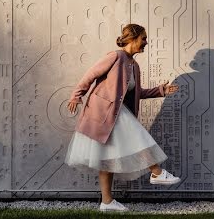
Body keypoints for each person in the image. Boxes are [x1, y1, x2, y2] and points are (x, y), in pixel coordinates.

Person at [65, 23, 181, 212]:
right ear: (133, 38)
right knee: (138, 136)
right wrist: (76, 95)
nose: (146, 42)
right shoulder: (115, 56)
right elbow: (90, 74)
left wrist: (161, 90)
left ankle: (107, 202)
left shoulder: (134, 65)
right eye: (143, 38)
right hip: (103, 111)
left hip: (117, 112)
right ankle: (157, 172)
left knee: (106, 158)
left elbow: (137, 92)